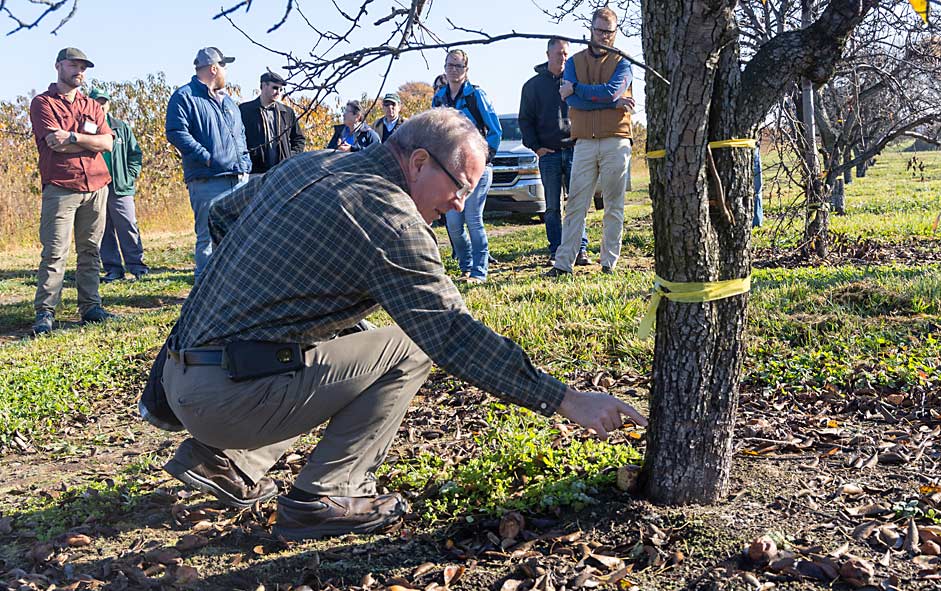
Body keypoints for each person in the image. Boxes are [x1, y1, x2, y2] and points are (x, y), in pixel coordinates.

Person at [157, 108, 645, 541]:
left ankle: (229, 461)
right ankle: (325, 495)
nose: (459, 204)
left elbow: (223, 216)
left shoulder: (307, 167)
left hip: (180, 377)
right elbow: (451, 333)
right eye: (459, 187)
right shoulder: (389, 217)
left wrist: (281, 300)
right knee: (408, 348)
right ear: (417, 163)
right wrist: (566, 398)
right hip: (226, 398)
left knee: (351, 340)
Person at [28, 47, 115, 336]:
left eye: (83, 67)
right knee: (55, 252)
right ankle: (45, 312)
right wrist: (90, 141)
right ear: (58, 66)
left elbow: (108, 144)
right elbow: (55, 142)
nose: (80, 71)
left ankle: (91, 307)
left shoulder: (91, 105)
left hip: (97, 185)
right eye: (74, 65)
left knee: (90, 251)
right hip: (62, 186)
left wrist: (76, 137)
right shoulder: (43, 103)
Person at [545, 8, 634, 277]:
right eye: (599, 30)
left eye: (609, 31)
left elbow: (610, 90)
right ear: (591, 29)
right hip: (583, 141)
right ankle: (563, 264)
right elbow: (569, 99)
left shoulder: (624, 62)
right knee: (575, 205)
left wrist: (580, 91)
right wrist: (610, 102)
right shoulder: (573, 62)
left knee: (613, 205)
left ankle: (609, 263)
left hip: (616, 140)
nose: (604, 36)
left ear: (615, 32)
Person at [165, 47, 251, 283]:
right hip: (208, 181)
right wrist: (206, 157)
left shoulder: (230, 102)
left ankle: (234, 289)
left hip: (239, 178)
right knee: (208, 240)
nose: (226, 71)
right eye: (224, 66)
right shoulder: (184, 97)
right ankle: (204, 292)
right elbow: (175, 132)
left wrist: (244, 162)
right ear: (214, 68)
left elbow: (240, 134)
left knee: (239, 238)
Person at [431, 50, 502, 283]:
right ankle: (466, 267)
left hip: (477, 170)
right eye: (450, 65)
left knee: (473, 218)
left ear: (466, 70)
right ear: (444, 68)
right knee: (453, 224)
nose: (454, 70)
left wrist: (484, 157)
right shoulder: (439, 97)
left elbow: (495, 130)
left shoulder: (476, 96)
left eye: (459, 66)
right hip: (451, 171)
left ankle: (479, 272)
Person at [519, 38, 589, 268]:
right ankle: (557, 250)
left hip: (574, 150)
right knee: (551, 207)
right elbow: (525, 121)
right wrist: (536, 147)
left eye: (566, 54)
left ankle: (580, 250)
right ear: (548, 54)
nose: (563, 58)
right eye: (559, 53)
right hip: (548, 153)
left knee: (577, 204)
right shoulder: (532, 86)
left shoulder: (576, 82)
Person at [90, 87, 148, 283]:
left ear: (108, 104)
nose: (101, 105)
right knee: (104, 230)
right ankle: (113, 269)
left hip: (120, 186)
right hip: (96, 187)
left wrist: (130, 176)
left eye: (103, 101)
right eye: (96, 102)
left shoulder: (121, 127)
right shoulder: (86, 128)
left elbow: (135, 154)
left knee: (128, 225)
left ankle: (138, 267)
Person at [240, 70, 306, 175]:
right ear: (263, 85)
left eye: (281, 89)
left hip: (282, 172)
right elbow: (238, 138)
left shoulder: (287, 112)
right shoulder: (245, 110)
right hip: (255, 171)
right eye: (275, 88)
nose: (278, 92)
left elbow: (299, 139)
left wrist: (290, 157)